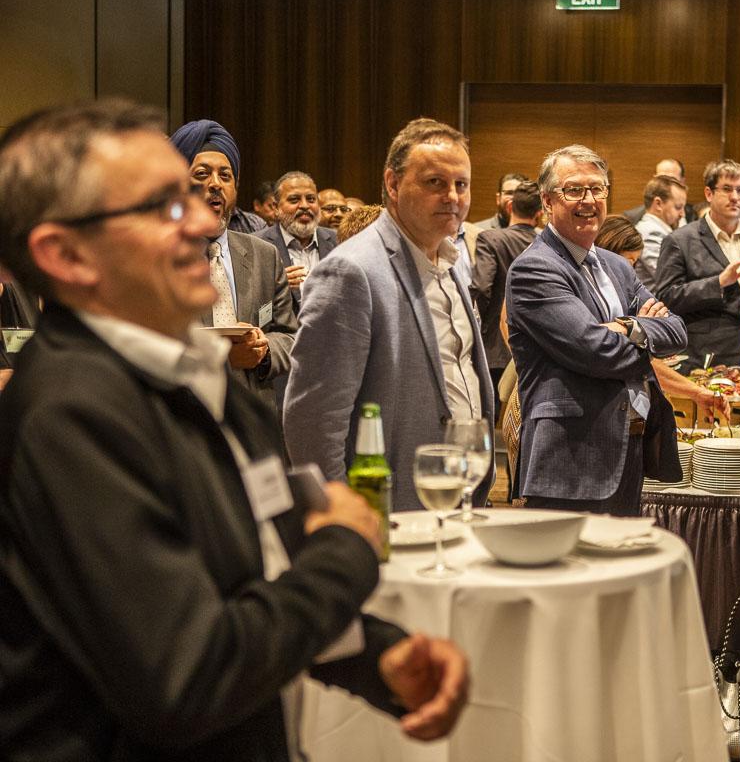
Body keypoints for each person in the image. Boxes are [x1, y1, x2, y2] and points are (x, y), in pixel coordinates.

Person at [0, 99, 468, 760]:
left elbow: (262, 573)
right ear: (67, 254)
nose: (202, 218)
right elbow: (189, 675)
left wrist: (373, 655)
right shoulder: (69, 415)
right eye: (162, 205)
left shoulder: (201, 377)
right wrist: (346, 549)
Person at [284, 118, 493, 511]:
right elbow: (313, 420)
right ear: (393, 184)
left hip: (459, 498)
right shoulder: (351, 270)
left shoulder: (450, 263)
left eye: (461, 184)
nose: (452, 196)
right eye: (435, 182)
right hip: (388, 510)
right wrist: (340, 515)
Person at [506, 144, 687, 516]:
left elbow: (677, 331)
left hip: (630, 446)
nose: (588, 200)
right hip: (571, 454)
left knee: (619, 555)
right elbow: (595, 350)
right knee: (568, 557)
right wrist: (644, 339)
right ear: (547, 200)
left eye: (597, 189)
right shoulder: (534, 268)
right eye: (574, 189)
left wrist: (625, 326)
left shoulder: (615, 266)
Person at [169, 119, 298, 413]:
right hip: (186, 416)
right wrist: (222, 357)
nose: (215, 183)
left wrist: (264, 350)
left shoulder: (264, 255)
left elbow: (289, 335)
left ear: (235, 187)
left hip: (254, 418)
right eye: (202, 174)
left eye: (225, 175)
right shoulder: (159, 258)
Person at [595, 215, 733, 422]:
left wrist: (639, 330)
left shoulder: (628, 292)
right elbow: (620, 352)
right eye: (628, 263)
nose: (631, 273)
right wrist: (640, 329)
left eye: (634, 264)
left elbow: (674, 330)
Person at [655, 159, 740, 369]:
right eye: (727, 189)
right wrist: (719, 282)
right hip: (706, 356)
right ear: (709, 194)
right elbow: (666, 297)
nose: (735, 197)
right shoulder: (679, 240)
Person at [472, 180, 541, 411]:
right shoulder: (545, 244)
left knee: (489, 416)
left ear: (510, 207)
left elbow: (482, 287)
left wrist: (480, 327)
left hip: (494, 345)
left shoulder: (491, 239)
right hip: (535, 346)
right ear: (540, 213)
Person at [255, 171, 338, 313]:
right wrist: (275, 288)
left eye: (311, 199)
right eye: (294, 200)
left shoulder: (339, 241)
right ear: (276, 207)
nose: (305, 206)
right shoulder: (256, 245)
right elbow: (249, 308)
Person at [633, 173, 688, 279]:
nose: (682, 214)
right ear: (658, 204)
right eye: (678, 207)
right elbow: (669, 275)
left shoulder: (660, 229)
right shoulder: (650, 232)